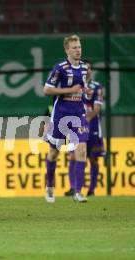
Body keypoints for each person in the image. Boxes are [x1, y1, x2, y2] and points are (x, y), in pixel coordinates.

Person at [43, 35, 89, 203]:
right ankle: (49, 186)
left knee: (81, 150)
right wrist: (68, 90)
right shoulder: (60, 68)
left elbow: (83, 87)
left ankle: (78, 192)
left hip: (79, 112)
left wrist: (85, 91)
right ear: (67, 50)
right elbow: (46, 90)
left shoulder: (85, 68)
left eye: (79, 46)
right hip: (61, 114)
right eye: (74, 47)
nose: (78, 50)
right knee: (54, 153)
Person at [64, 62, 105, 197]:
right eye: (84, 68)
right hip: (76, 125)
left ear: (91, 70)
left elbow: (97, 109)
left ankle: (92, 190)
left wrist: (85, 120)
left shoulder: (97, 87)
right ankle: (73, 188)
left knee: (93, 158)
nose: (87, 70)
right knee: (73, 156)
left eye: (89, 68)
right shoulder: (74, 86)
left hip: (92, 126)